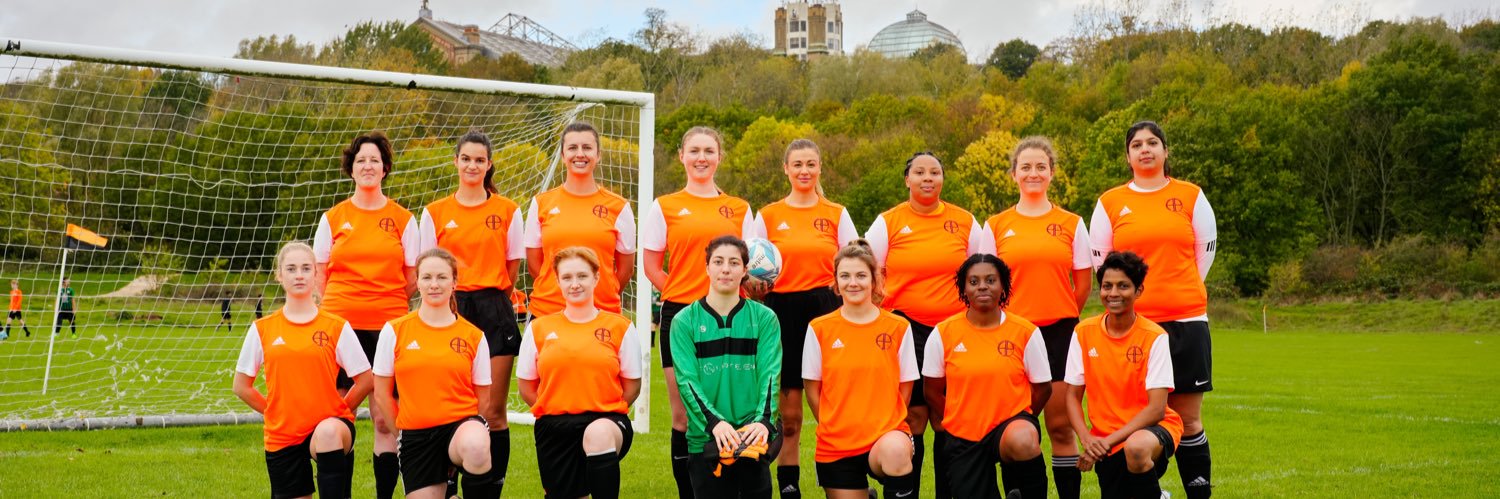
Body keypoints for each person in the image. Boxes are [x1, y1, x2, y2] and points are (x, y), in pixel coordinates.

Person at [1089, 121, 1217, 498]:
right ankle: (1151, 491)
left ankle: (1198, 492)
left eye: (1153, 143)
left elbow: (1204, 253)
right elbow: (1103, 262)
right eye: (1137, 144)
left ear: (1165, 151)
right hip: (1133, 327)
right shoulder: (1111, 201)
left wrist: (1176, 289)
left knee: (1189, 418)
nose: (1145, 149)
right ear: (1128, 156)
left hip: (1185, 320)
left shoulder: (1191, 195)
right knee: (1137, 414)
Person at [641, 125, 755, 498]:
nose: (701, 158)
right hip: (682, 317)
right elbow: (652, 265)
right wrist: (682, 297)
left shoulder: (739, 208)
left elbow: (751, 266)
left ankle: (731, 487)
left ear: (719, 156)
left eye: (709, 150)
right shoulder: (666, 205)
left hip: (731, 317)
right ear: (682, 156)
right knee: (685, 416)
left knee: (733, 410)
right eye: (694, 151)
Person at [978, 136, 1092, 499]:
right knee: (1015, 426)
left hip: (1059, 333)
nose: (1033, 173)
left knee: (1060, 426)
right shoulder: (995, 225)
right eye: (1025, 167)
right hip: (1010, 336)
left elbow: (1083, 284)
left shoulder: (1072, 223)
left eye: (1040, 166)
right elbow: (986, 283)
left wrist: (1056, 313)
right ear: (1014, 174)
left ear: (1052, 173)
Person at [864, 151, 983, 496]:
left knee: (948, 417)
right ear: (907, 179)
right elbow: (867, 270)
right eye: (920, 172)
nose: (927, 178)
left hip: (955, 330)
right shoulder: (889, 222)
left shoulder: (964, 221)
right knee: (914, 416)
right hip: (906, 329)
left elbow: (981, 271)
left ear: (943, 179)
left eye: (935, 172)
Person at [745, 139, 857, 499]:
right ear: (786, 169)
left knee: (834, 404)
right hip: (780, 311)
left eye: (811, 164)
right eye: (797, 164)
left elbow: (855, 260)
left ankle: (849, 480)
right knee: (790, 413)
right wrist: (756, 287)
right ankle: (789, 486)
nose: (804, 170)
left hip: (825, 309)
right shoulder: (770, 214)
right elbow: (750, 268)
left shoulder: (837, 213)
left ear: (820, 167)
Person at [313, 130, 419, 498]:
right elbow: (319, 273)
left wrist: (382, 305)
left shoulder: (404, 219)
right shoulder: (333, 218)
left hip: (388, 329)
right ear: (351, 168)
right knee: (337, 414)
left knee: (383, 419)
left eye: (375, 160)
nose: (368, 166)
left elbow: (411, 278)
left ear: (385, 168)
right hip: (340, 331)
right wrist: (338, 312)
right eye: (361, 160)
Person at [419, 130, 526, 497]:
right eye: (466, 158)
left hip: (494, 309)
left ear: (489, 164)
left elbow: (511, 270)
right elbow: (429, 267)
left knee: (492, 411)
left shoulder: (508, 210)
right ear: (456, 162)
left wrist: (489, 296)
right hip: (450, 310)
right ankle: (447, 482)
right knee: (450, 407)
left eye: (480, 159)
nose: (472, 165)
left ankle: (488, 488)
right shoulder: (435, 212)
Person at [233, 242, 373, 499]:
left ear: (316, 274)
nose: (299, 274)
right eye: (292, 268)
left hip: (329, 428)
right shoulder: (263, 329)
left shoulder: (336, 326)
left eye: (306, 268)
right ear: (279, 275)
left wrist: (341, 410)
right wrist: (273, 410)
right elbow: (241, 386)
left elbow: (365, 380)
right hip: (283, 433)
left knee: (329, 432)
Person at [517, 247, 642, 499]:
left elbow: (632, 387)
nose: (575, 284)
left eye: (582, 276)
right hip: (554, 427)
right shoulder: (539, 329)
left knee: (597, 435)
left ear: (596, 278)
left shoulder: (620, 327)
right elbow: (527, 387)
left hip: (606, 422)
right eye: (567, 277)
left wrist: (602, 408)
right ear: (558, 281)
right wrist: (558, 407)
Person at [922, 254, 1052, 498]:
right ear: (963, 289)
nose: (982, 286)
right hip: (964, 434)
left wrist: (1023, 418)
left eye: (991, 280)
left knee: (1023, 439)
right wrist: (954, 418)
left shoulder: (1025, 332)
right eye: (974, 281)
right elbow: (932, 390)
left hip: (1009, 427)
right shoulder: (943, 333)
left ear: (1003, 286)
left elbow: (1043, 388)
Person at [371, 248, 494, 499]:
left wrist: (468, 429)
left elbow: (483, 398)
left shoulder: (473, 336)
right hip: (416, 437)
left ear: (455, 282)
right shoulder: (394, 331)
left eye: (442, 277)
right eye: (427, 277)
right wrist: (401, 433)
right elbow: (382, 395)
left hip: (459, 429)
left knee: (476, 446)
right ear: (417, 282)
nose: (434, 284)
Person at [804, 241, 919, 499]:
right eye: (845, 276)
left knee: (896, 453)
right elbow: (812, 388)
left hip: (885, 436)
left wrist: (885, 422)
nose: (852, 283)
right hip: (837, 444)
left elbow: (905, 387)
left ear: (874, 281)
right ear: (835, 281)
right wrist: (833, 425)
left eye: (860, 275)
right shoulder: (819, 328)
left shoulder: (898, 327)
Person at [670, 236, 783, 498]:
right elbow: (687, 383)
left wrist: (763, 422)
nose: (726, 269)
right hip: (707, 437)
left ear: (745, 271)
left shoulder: (765, 319)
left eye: (734, 263)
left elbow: (770, 375)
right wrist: (716, 424)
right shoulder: (684, 321)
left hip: (752, 433)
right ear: (707, 267)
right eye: (718, 262)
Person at [1065, 251, 1183, 498]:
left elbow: (1157, 409)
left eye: (1123, 286)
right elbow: (1072, 397)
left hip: (1151, 431)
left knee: (1136, 449)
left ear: (1138, 291)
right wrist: (1087, 440)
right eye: (1107, 286)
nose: (1114, 293)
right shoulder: (1083, 332)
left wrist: (1106, 443)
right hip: (1104, 440)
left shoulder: (1155, 337)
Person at [524, 122, 636, 317]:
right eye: (572, 148)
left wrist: (598, 292)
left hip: (602, 313)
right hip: (548, 312)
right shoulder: (541, 203)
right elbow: (536, 266)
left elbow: (625, 270)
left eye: (587, 147)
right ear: (562, 156)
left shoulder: (618, 207)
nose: (580, 154)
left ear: (598, 155)